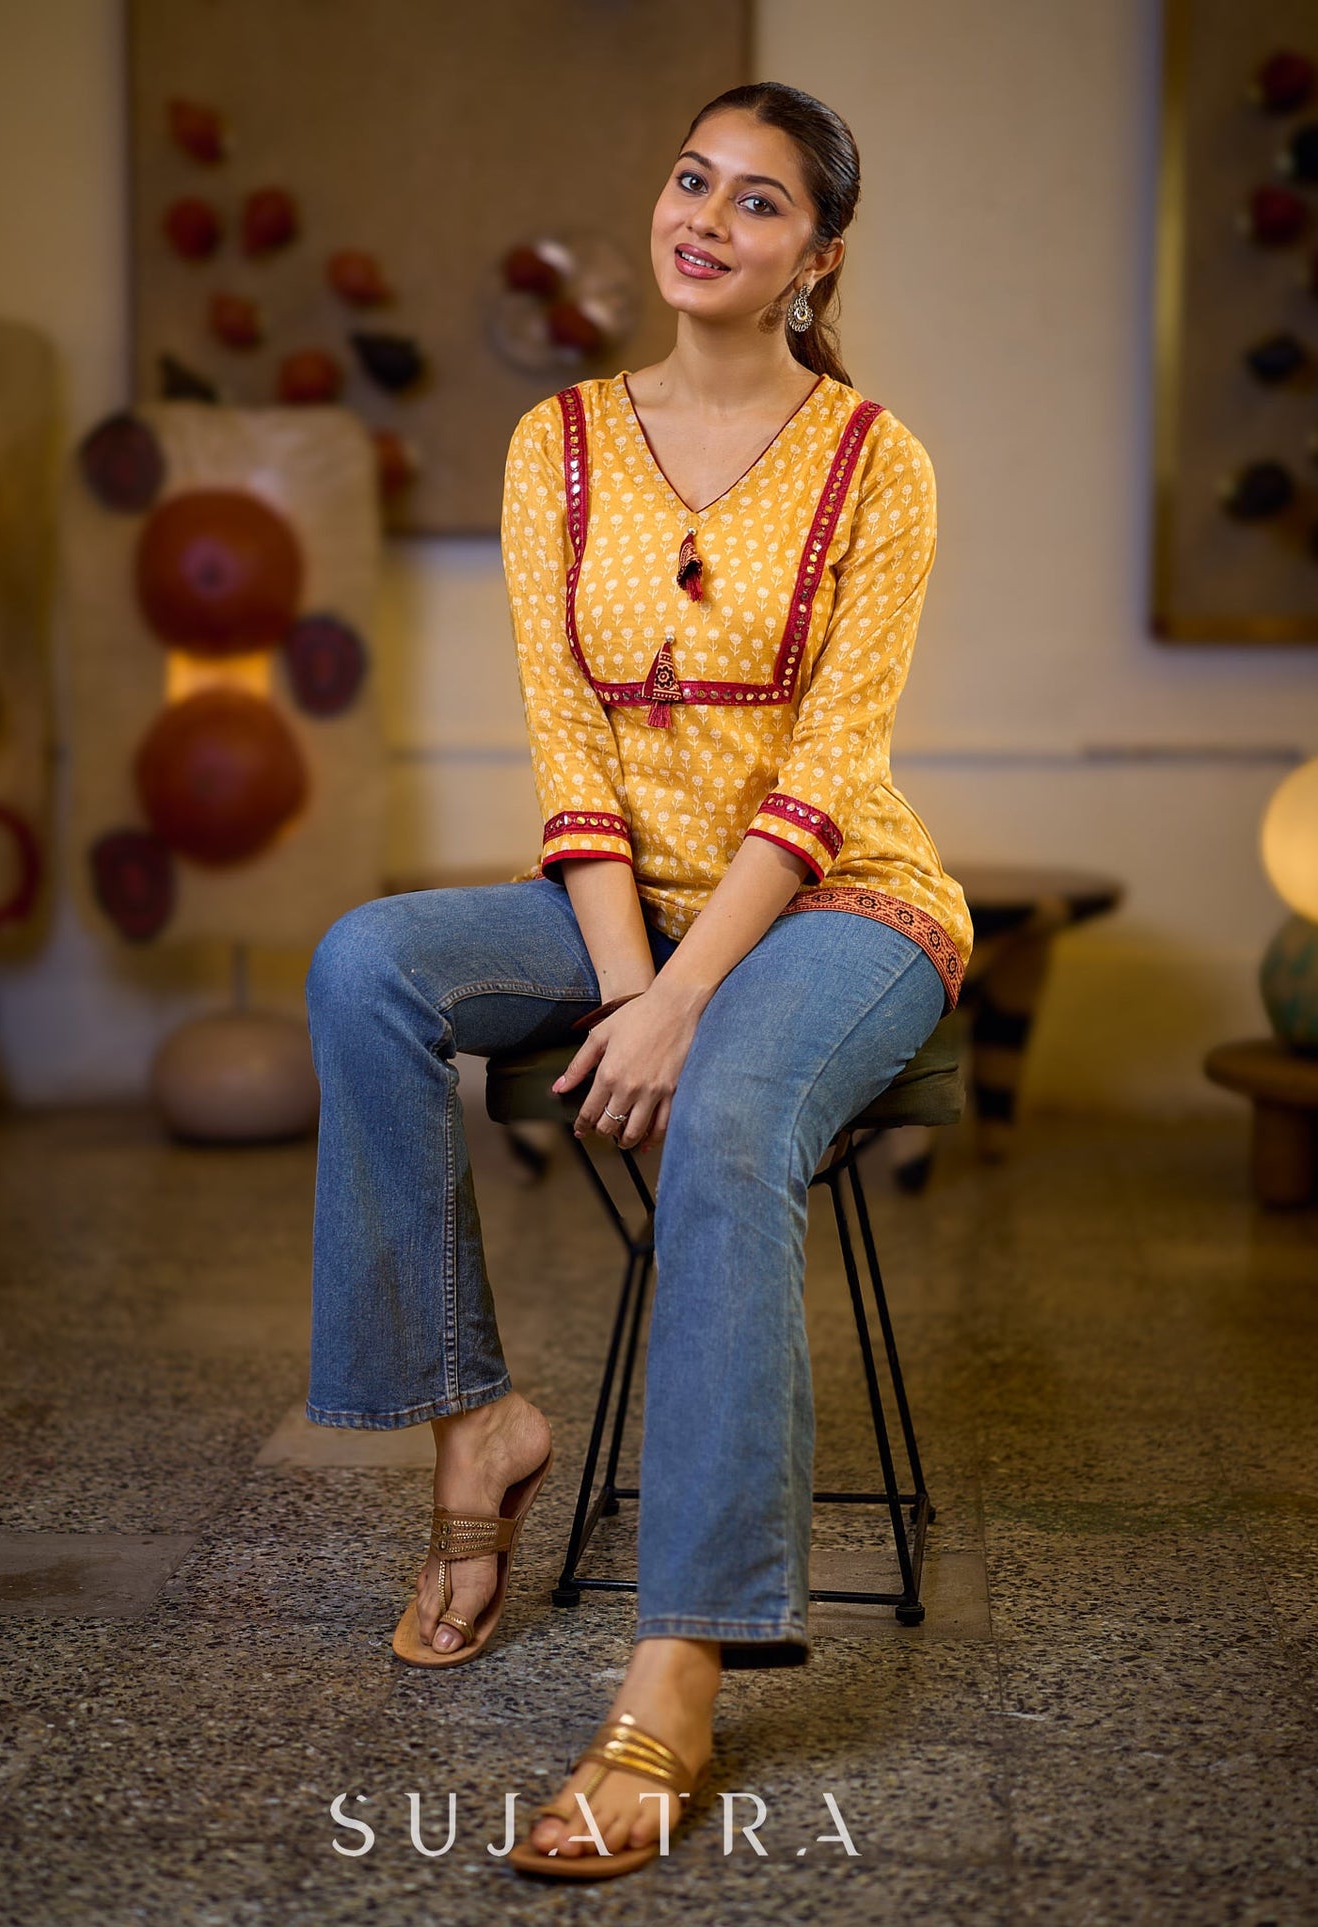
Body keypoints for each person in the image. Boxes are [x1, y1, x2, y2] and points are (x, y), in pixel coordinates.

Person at [303, 80, 973, 1880]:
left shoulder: (874, 462)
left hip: (839, 905)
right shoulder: (561, 442)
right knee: (366, 960)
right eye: (692, 179)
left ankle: (675, 1672)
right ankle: (478, 1428)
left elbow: (829, 772)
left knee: (729, 1109)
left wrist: (685, 1006)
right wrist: (628, 982)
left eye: (758, 205)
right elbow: (568, 745)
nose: (705, 219)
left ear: (815, 260)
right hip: (622, 904)